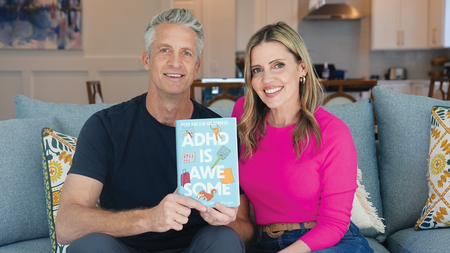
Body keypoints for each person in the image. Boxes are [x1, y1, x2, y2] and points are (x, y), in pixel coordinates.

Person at [55, 8, 252, 253]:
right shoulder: (105, 127)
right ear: (147, 59)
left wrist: (228, 220)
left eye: (186, 53)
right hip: (124, 248)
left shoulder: (219, 134)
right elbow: (66, 224)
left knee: (225, 239)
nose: (176, 62)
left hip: (196, 248)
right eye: (165, 50)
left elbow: (245, 227)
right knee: (90, 246)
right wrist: (149, 219)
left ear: (197, 65)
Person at [231, 22, 373, 253]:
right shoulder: (243, 118)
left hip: (326, 242)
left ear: (302, 68)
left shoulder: (332, 132)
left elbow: (334, 223)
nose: (267, 80)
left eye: (278, 65)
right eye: (257, 70)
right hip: (264, 241)